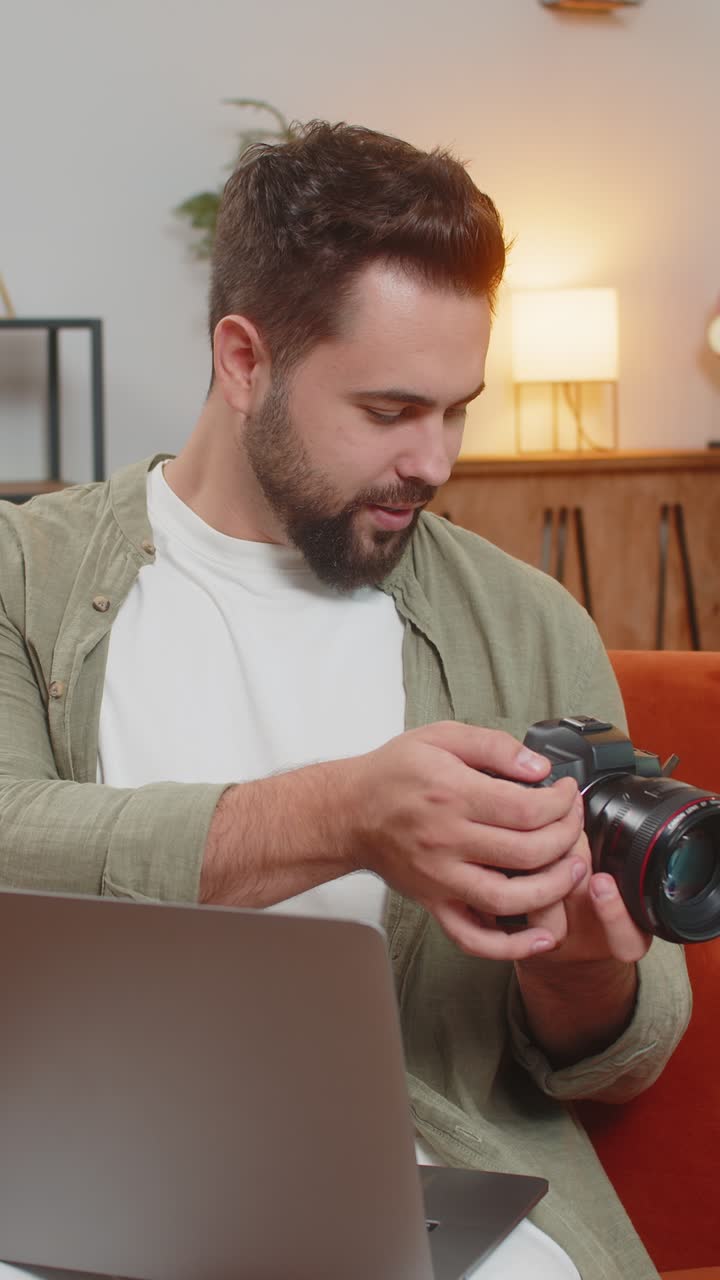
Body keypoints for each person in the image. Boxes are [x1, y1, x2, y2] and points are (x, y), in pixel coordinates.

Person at [0, 122, 689, 1280]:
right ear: (242, 359)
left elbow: (623, 1054)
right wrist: (345, 813)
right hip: (65, 1162)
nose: (435, 459)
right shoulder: (29, 577)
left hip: (423, 1188)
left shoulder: (526, 623)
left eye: (456, 407)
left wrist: (577, 970)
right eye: (388, 410)